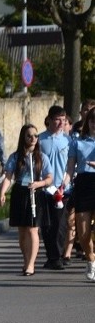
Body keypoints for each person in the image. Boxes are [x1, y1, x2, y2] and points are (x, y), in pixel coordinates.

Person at [0, 125, 53, 276]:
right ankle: (26, 260)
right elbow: (9, 177)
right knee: (22, 232)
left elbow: (50, 178)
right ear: (23, 137)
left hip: (35, 193)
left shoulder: (42, 157)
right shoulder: (15, 157)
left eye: (36, 136)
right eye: (29, 136)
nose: (33, 139)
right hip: (20, 193)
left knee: (33, 229)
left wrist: (39, 184)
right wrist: (3, 193)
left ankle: (31, 264)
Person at [63, 106, 95, 282]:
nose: (94, 124)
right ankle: (90, 258)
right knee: (82, 233)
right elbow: (70, 168)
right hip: (83, 184)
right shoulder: (77, 142)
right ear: (87, 122)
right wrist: (64, 182)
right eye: (92, 120)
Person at [37, 105, 71, 270]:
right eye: (57, 119)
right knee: (46, 224)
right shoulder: (40, 140)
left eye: (63, 120)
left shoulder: (68, 140)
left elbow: (71, 164)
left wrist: (65, 183)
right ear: (49, 120)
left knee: (60, 223)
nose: (60, 123)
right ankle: (51, 256)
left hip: (62, 188)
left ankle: (57, 256)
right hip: (44, 188)